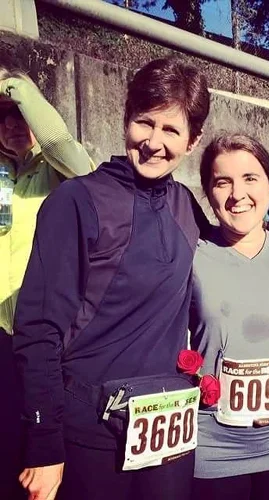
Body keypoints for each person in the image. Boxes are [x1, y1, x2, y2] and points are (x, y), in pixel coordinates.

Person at [13, 57, 210, 500]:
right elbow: (38, 329)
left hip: (168, 428)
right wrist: (44, 444)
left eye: (172, 130)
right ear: (126, 119)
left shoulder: (186, 207)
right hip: (91, 431)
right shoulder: (77, 201)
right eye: (144, 123)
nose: (153, 142)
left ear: (193, 141)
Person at [189, 133, 269, 500]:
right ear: (209, 194)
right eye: (222, 181)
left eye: (250, 178)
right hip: (213, 441)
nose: (236, 194)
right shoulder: (193, 253)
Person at [0, 67, 94, 500]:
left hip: (46, 341)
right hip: (2, 339)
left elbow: (63, 146)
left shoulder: (59, 170)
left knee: (44, 465)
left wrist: (15, 87)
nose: (11, 126)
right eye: (1, 118)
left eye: (18, 116)